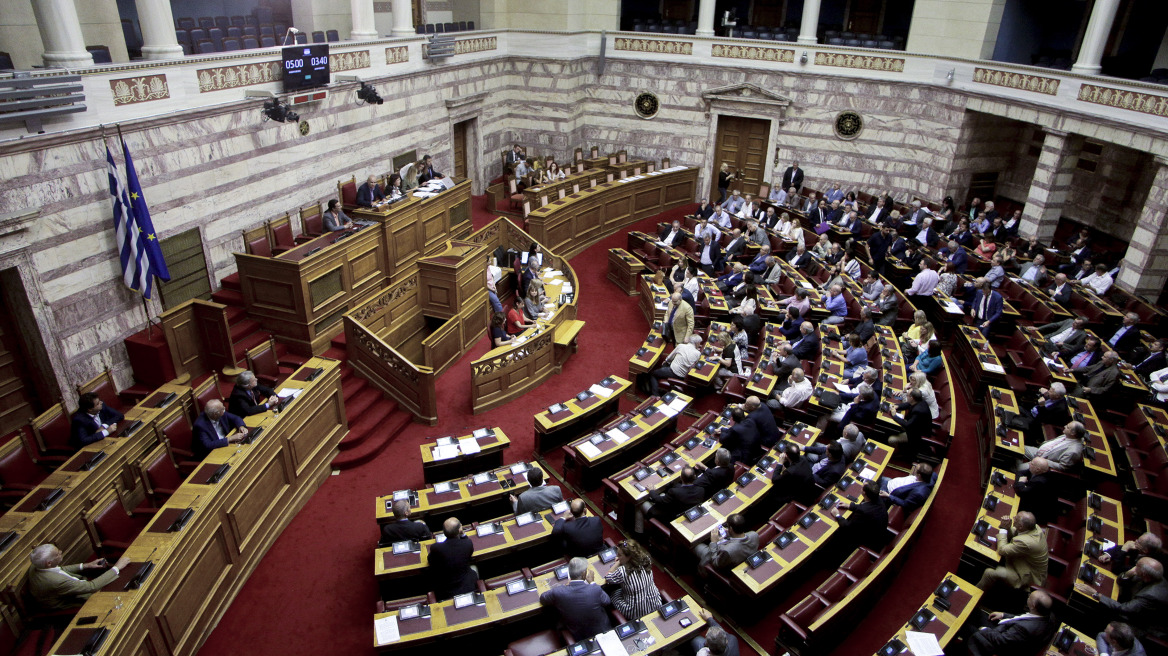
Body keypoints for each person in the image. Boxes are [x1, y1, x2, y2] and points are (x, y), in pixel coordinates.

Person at [27, 544, 131, 610]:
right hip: (73, 600)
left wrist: (86, 565)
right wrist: (117, 567)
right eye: (57, 554)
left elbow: (60, 570)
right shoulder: (56, 581)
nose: (60, 552)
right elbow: (91, 587)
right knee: (124, 594)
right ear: (48, 563)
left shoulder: (36, 565)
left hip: (74, 585)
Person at [1092, 558, 1168, 640]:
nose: (1134, 567)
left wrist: (1097, 595)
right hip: (1132, 608)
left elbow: (1124, 608)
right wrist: (1128, 574)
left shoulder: (1150, 595)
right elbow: (1120, 581)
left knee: (1100, 610)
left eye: (1137, 566)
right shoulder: (1149, 577)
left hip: (1140, 625)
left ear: (1144, 573)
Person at [966, 590, 1057, 656]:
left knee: (965, 625)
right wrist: (1004, 615)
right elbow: (1024, 618)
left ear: (1033, 606)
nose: (1028, 596)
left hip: (996, 645)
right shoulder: (1049, 615)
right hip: (1007, 631)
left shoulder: (1024, 629)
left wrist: (985, 629)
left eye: (1030, 596)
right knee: (975, 611)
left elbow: (1000, 641)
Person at [540, 557, 612, 640]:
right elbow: (607, 601)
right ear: (584, 573)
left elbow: (543, 598)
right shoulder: (595, 588)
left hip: (577, 637)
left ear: (569, 574)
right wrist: (592, 582)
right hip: (602, 633)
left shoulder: (558, 592)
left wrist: (564, 586)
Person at [977, 511, 1049, 592]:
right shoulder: (1034, 527)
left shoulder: (1026, 542)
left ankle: (975, 595)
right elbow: (1017, 532)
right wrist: (1008, 527)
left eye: (1016, 518)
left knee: (989, 573)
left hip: (1027, 579)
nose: (1013, 517)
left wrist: (1004, 529)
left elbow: (1002, 550)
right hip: (1026, 565)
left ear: (1021, 526)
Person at [604, 540, 660, 619]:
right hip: (654, 603)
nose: (617, 556)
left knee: (612, 594)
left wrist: (618, 562)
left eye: (620, 555)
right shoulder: (647, 559)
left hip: (635, 612)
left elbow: (608, 577)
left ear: (629, 556)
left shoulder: (623, 571)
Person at [829, 481, 889, 551]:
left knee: (837, 533)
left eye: (862, 487)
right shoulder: (878, 499)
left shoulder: (863, 511)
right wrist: (850, 506)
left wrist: (837, 515)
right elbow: (867, 506)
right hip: (878, 535)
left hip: (867, 542)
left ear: (864, 493)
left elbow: (848, 528)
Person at [430, 517, 478, 599]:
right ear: (460, 530)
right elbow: (469, 546)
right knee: (474, 567)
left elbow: (430, 560)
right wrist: (463, 534)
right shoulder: (467, 544)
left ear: (444, 532)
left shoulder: (436, 548)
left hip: (445, 589)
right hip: (467, 585)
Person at [1021, 421, 1087, 473]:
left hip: (1043, 462)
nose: (1064, 426)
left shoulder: (1073, 451)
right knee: (1018, 447)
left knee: (1017, 468)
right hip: (1039, 452)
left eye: (1068, 427)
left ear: (1073, 433)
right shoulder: (1069, 435)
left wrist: (1044, 461)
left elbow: (1063, 467)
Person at [1014, 457, 1059, 525]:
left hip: (1038, 512)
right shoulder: (1038, 471)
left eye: (1031, 463)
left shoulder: (1040, 481)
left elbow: (1022, 492)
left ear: (1037, 469)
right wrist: (1022, 484)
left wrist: (1021, 482)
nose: (1029, 464)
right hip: (1032, 500)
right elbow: (1020, 473)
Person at [888, 389, 932, 456]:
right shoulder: (920, 401)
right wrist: (898, 406)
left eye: (907, 395)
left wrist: (895, 416)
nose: (906, 396)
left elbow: (907, 425)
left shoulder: (918, 411)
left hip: (916, 435)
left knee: (891, 439)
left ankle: (897, 455)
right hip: (914, 426)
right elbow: (908, 404)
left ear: (912, 398)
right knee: (893, 427)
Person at [1099, 533, 1167, 574]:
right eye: (1137, 539)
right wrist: (1108, 555)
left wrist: (1124, 549)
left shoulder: (1146, 564)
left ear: (1145, 550)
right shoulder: (1141, 548)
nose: (1135, 541)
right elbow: (1119, 547)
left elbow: (1117, 570)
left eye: (1138, 541)